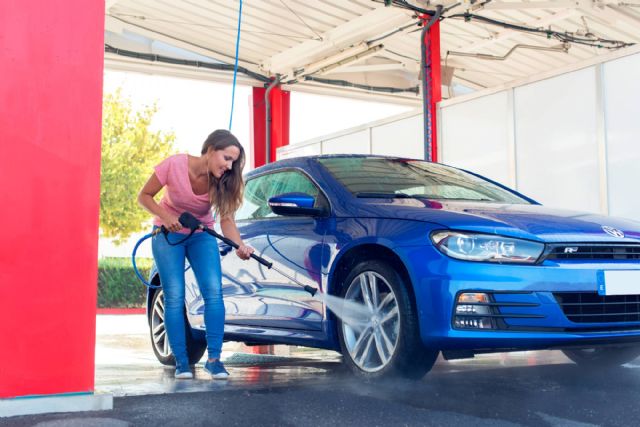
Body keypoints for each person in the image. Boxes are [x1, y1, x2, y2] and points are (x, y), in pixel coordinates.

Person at [138, 129, 254, 379]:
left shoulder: (222, 182)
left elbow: (227, 221)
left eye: (233, 161)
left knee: (213, 292)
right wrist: (167, 217)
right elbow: (144, 196)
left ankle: (214, 360)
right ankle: (181, 362)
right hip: (167, 234)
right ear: (210, 149)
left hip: (201, 234)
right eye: (226, 158)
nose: (229, 166)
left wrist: (240, 246)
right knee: (175, 295)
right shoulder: (174, 165)